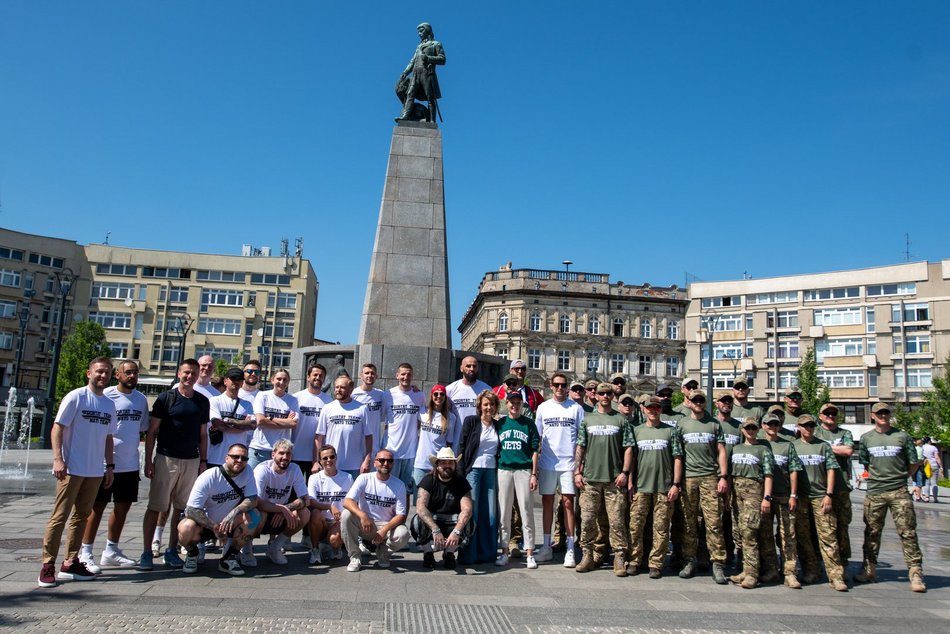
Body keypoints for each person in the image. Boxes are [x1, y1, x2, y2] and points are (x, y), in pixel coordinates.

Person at [38, 357, 117, 588]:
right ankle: (47, 565)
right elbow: (57, 427)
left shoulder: (108, 404)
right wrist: (58, 460)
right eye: (99, 372)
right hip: (71, 468)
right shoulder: (76, 396)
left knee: (81, 517)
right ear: (89, 373)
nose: (103, 376)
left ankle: (70, 562)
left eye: (107, 372)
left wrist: (109, 467)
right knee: (59, 517)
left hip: (94, 470)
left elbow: (109, 438)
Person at [140, 358, 210, 571]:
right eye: (186, 372)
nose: (190, 377)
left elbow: (203, 435)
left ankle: (171, 550)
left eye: (193, 373)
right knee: (156, 507)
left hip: (191, 460)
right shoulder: (165, 398)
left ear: (198, 376)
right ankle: (146, 552)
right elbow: (151, 432)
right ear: (180, 373)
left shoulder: (201, 401)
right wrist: (148, 461)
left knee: (181, 509)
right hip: (166, 458)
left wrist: (203, 462)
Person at [79, 360, 148, 571]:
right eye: (128, 372)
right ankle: (85, 552)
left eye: (135, 373)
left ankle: (111, 551)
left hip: (129, 463)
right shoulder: (106, 395)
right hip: (104, 463)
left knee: (122, 507)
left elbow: (142, 429)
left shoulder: (141, 399)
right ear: (117, 375)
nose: (132, 376)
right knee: (97, 507)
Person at [854, 403, 926, 592]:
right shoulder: (866, 438)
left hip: (899, 491)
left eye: (886, 412)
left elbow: (913, 463)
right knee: (871, 533)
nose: (883, 416)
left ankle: (915, 573)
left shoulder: (902, 436)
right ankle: (869, 569)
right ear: (873, 416)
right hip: (875, 491)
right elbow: (867, 465)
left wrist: (899, 478)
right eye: (879, 413)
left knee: (908, 532)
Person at [574, 383, 634, 577]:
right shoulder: (588, 420)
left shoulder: (620, 420)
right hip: (591, 479)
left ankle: (619, 557)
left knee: (616, 521)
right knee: (588, 520)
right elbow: (581, 446)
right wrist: (577, 471)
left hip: (613, 480)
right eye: (602, 393)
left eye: (609, 393)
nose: (605, 396)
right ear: (596, 396)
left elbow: (628, 448)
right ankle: (587, 555)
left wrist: (625, 472)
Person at [177, 443, 260, 576]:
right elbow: (191, 510)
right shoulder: (209, 477)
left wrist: (234, 512)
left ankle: (229, 558)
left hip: (229, 522)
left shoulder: (247, 471)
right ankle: (192, 553)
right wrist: (214, 527)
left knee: (254, 516)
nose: (240, 461)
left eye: (244, 458)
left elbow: (252, 499)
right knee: (185, 527)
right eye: (235, 457)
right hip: (205, 524)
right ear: (226, 458)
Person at [675, 389, 729, 584]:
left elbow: (721, 451)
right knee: (689, 523)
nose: (698, 402)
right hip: (689, 478)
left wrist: (722, 476)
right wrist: (677, 482)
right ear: (688, 401)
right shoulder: (682, 425)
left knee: (714, 522)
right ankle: (689, 560)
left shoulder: (714, 424)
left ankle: (718, 562)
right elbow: (678, 456)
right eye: (694, 399)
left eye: (701, 400)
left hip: (709, 477)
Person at [626, 395, 682, 579]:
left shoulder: (670, 431)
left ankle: (656, 563)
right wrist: (630, 481)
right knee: (636, 526)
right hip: (641, 486)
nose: (653, 411)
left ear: (660, 410)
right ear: (644, 409)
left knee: (661, 527)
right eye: (650, 408)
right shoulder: (637, 431)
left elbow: (677, 458)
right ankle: (635, 560)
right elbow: (632, 459)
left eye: (656, 408)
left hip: (663, 488)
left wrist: (675, 484)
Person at [534, 373, 585, 567]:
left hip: (569, 464)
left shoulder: (576, 409)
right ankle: (546, 545)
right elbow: (538, 438)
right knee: (547, 502)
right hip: (548, 463)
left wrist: (578, 466)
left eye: (563, 385)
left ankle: (571, 548)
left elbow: (581, 439)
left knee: (568, 503)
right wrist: (536, 466)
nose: (560, 388)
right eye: (556, 385)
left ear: (568, 387)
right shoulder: (543, 408)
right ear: (550, 385)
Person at [793, 414, 847, 591]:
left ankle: (835, 575)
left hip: (820, 497)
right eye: (804, 425)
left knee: (828, 537)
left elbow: (831, 470)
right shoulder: (793, 446)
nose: (808, 428)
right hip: (801, 498)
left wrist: (828, 494)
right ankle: (812, 570)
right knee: (804, 537)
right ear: (798, 427)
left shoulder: (823, 446)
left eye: (810, 425)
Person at [342, 449, 410, 571]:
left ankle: (383, 551)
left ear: (393, 464)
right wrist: (362, 516)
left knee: (403, 534)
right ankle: (355, 556)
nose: (385, 463)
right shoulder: (364, 478)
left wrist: (384, 529)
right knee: (346, 515)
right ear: (374, 463)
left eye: (389, 461)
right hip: (366, 524)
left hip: (386, 525)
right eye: (381, 460)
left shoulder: (399, 485)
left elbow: (401, 515)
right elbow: (347, 501)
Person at [243, 439, 309, 566]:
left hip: (279, 512)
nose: (285, 457)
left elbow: (305, 499)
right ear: (273, 454)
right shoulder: (262, 469)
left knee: (304, 513)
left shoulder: (295, 469)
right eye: (281, 453)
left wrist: (285, 508)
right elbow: (255, 501)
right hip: (262, 511)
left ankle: (275, 547)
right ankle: (247, 548)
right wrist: (281, 509)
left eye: (288, 454)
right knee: (255, 513)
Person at [726, 418, 774, 589]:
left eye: (754, 428)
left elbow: (768, 475)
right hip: (737, 494)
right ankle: (746, 569)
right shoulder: (736, 449)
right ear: (742, 429)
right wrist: (728, 497)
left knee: (749, 533)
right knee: (738, 533)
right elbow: (731, 475)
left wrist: (766, 498)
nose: (751, 430)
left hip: (754, 493)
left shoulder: (763, 449)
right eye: (748, 428)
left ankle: (753, 573)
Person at [495, 391, 541, 569]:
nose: (515, 405)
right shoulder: (501, 423)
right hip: (504, 469)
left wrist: (534, 474)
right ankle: (504, 551)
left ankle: (529, 553)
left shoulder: (529, 423)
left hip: (523, 469)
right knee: (504, 512)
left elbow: (535, 449)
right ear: (506, 404)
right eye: (512, 402)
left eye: (518, 402)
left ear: (522, 405)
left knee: (526, 512)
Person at [758, 413, 803, 588]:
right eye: (769, 424)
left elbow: (794, 471)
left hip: (784, 495)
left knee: (788, 535)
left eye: (775, 424)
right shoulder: (759, 444)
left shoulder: (787, 445)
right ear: (763, 425)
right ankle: (771, 569)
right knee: (766, 535)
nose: (772, 427)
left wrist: (793, 495)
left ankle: (790, 572)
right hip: (764, 497)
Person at [456, 390, 501, 565]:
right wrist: (460, 473)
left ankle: (487, 554)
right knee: (471, 512)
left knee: (490, 513)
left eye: (491, 404)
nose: (488, 408)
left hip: (490, 470)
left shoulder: (498, 425)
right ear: (479, 406)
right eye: (485, 404)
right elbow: (461, 446)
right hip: (473, 470)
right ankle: (468, 554)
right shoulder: (471, 422)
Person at [413, 447, 473, 569]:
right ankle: (428, 553)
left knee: (469, 523)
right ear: (437, 465)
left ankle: (449, 553)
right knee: (417, 521)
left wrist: (456, 532)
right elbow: (420, 507)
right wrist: (435, 529)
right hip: (433, 520)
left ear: (455, 465)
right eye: (443, 462)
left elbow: (467, 509)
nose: (447, 465)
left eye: (450, 462)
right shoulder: (428, 480)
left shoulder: (461, 481)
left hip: (452, 520)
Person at [815, 402, 855, 573]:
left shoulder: (845, 433)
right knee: (819, 528)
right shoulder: (815, 431)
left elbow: (848, 451)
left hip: (841, 486)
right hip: (818, 487)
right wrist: (834, 449)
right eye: (827, 413)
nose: (830, 416)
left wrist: (822, 447)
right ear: (820, 415)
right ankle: (817, 563)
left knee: (842, 526)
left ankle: (843, 562)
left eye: (833, 414)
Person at [316, 375, 372, 478]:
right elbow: (319, 437)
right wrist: (317, 461)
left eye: (342, 387)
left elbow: (368, 437)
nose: (338, 390)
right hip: (331, 464)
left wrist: (367, 460)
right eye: (336, 387)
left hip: (355, 465)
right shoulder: (327, 408)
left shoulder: (362, 408)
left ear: (350, 389)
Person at [382, 363, 425, 495]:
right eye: (403, 374)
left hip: (410, 452)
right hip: (391, 450)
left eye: (409, 374)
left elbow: (420, 421)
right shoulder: (387, 395)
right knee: (389, 490)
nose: (406, 377)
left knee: (405, 492)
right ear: (397, 376)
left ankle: (403, 516)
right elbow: (381, 419)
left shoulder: (419, 396)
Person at [306, 444, 352, 564]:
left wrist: (343, 518)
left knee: (334, 540)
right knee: (315, 513)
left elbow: (352, 501)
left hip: (338, 521)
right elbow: (311, 502)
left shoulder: (347, 477)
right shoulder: (314, 478)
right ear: (320, 461)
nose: (329, 460)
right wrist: (329, 506)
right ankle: (315, 549)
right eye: (325, 458)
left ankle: (335, 549)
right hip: (321, 521)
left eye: (332, 457)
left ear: (336, 458)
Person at [396, 22, 446, 123]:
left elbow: (442, 59)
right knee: (410, 94)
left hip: (427, 73)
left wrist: (428, 58)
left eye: (421, 30)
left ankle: (432, 120)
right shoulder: (419, 47)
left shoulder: (436, 44)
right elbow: (412, 61)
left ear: (427, 30)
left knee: (430, 97)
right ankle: (406, 115)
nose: (419, 33)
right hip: (415, 73)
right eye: (418, 31)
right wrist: (405, 72)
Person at [249, 369, 299, 469]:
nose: (281, 382)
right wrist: (286, 422)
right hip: (259, 449)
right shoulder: (262, 395)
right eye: (279, 379)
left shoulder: (293, 400)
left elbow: (293, 423)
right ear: (272, 380)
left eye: (285, 380)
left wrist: (270, 418)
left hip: (280, 451)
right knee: (251, 481)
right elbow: (260, 421)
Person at [207, 368, 256, 468]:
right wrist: (242, 425)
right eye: (233, 379)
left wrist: (228, 421)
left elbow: (252, 425)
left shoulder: (247, 404)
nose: (236, 382)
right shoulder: (215, 400)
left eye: (239, 379)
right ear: (225, 381)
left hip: (238, 458)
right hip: (216, 456)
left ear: (242, 383)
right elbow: (218, 424)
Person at [413, 385, 459, 491]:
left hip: (438, 464)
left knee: (435, 499)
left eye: (442, 394)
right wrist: (413, 388)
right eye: (436, 394)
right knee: (418, 499)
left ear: (445, 397)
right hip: (421, 462)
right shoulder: (423, 412)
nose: (439, 396)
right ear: (431, 396)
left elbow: (449, 443)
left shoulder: (451, 417)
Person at [292, 364, 332, 484]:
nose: (318, 378)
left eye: (321, 376)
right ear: (308, 377)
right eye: (315, 375)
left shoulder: (329, 401)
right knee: (295, 493)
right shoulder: (296, 398)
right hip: (296, 454)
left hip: (318, 457)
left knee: (313, 494)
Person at [351, 363, 386, 457]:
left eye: (372, 373)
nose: (370, 375)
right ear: (361, 375)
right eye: (367, 373)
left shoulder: (381, 394)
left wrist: (412, 388)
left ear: (376, 376)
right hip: (356, 446)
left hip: (374, 446)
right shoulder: (353, 395)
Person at [446, 355, 491, 426]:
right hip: (457, 436)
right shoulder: (450, 389)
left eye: (474, 366)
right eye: (468, 366)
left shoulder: (486, 389)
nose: (472, 369)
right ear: (461, 368)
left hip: (479, 435)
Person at [921, 437, 942, 503]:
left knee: (927, 482)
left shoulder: (922, 447)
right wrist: (940, 466)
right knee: (934, 483)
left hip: (926, 465)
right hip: (934, 465)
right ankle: (935, 498)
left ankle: (927, 497)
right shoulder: (933, 448)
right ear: (929, 441)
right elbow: (937, 457)